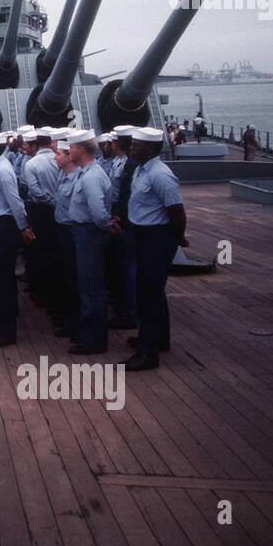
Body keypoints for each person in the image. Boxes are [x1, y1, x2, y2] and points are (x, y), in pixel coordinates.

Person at [122, 127, 190, 371]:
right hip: (143, 234)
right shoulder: (142, 170)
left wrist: (178, 237)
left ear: (150, 148)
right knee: (153, 291)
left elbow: (176, 211)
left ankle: (147, 354)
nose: (131, 147)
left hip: (157, 237)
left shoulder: (161, 174)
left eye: (135, 144)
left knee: (148, 294)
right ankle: (158, 338)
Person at [0, 130, 35, 347]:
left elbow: (15, 202)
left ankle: (6, 331)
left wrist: (23, 227)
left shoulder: (2, 171)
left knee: (4, 279)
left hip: (4, 227)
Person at [66, 129, 112, 355]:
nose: (68, 151)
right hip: (84, 233)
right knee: (88, 286)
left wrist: (106, 227)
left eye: (71, 147)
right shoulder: (87, 172)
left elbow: (98, 212)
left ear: (81, 149)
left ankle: (93, 341)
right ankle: (89, 335)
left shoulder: (92, 176)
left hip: (89, 234)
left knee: (91, 289)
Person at [24, 128, 62, 305]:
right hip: (59, 210)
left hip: (40, 211)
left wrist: (49, 201)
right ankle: (52, 291)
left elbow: (35, 191)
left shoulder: (31, 164)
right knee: (54, 251)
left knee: (38, 250)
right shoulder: (59, 159)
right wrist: (57, 202)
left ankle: (39, 291)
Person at [107, 126, 138, 330]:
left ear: (117, 144)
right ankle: (123, 310)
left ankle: (129, 313)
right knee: (120, 268)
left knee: (128, 270)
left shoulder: (130, 165)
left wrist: (121, 217)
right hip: (117, 218)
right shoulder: (120, 162)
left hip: (125, 223)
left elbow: (128, 195)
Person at [52, 132, 81, 338]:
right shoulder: (64, 176)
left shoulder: (79, 179)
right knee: (64, 276)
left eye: (59, 154)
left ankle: (75, 322)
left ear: (69, 157)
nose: (55, 157)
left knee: (74, 279)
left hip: (72, 232)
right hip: (62, 230)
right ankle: (68, 318)